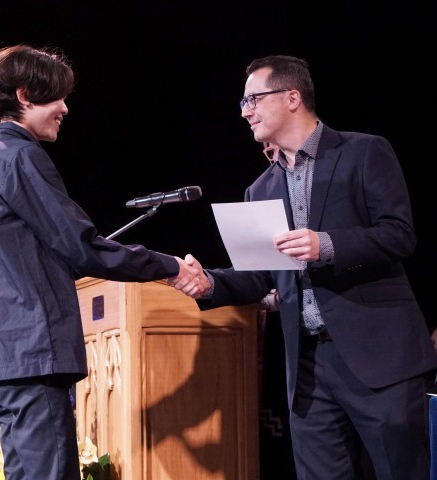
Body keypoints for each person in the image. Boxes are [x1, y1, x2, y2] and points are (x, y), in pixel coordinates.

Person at [171, 55, 437, 479]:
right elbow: (260, 274)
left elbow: (399, 234)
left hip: (379, 359)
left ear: (293, 97)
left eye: (252, 99)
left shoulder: (363, 151)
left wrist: (326, 244)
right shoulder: (260, 188)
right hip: (309, 369)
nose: (246, 111)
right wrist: (209, 283)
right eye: (243, 104)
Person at [0, 44, 207, 480]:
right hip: (32, 356)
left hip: (4, 359)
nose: (65, 108)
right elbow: (80, 246)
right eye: (56, 97)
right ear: (24, 96)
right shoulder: (19, 157)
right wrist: (169, 267)